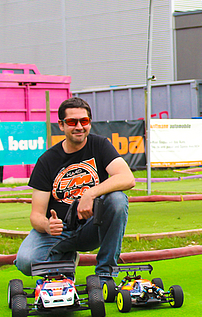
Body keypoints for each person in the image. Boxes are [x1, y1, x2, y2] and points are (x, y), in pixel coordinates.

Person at [15, 97, 136, 280]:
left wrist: (90, 193)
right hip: (59, 230)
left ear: (89, 123)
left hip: (92, 226)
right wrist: (47, 226)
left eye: (84, 121)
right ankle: (65, 261)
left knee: (117, 199)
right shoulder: (46, 161)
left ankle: (105, 274)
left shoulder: (100, 145)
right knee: (26, 261)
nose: (79, 126)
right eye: (72, 122)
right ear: (61, 125)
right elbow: (36, 215)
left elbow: (127, 178)